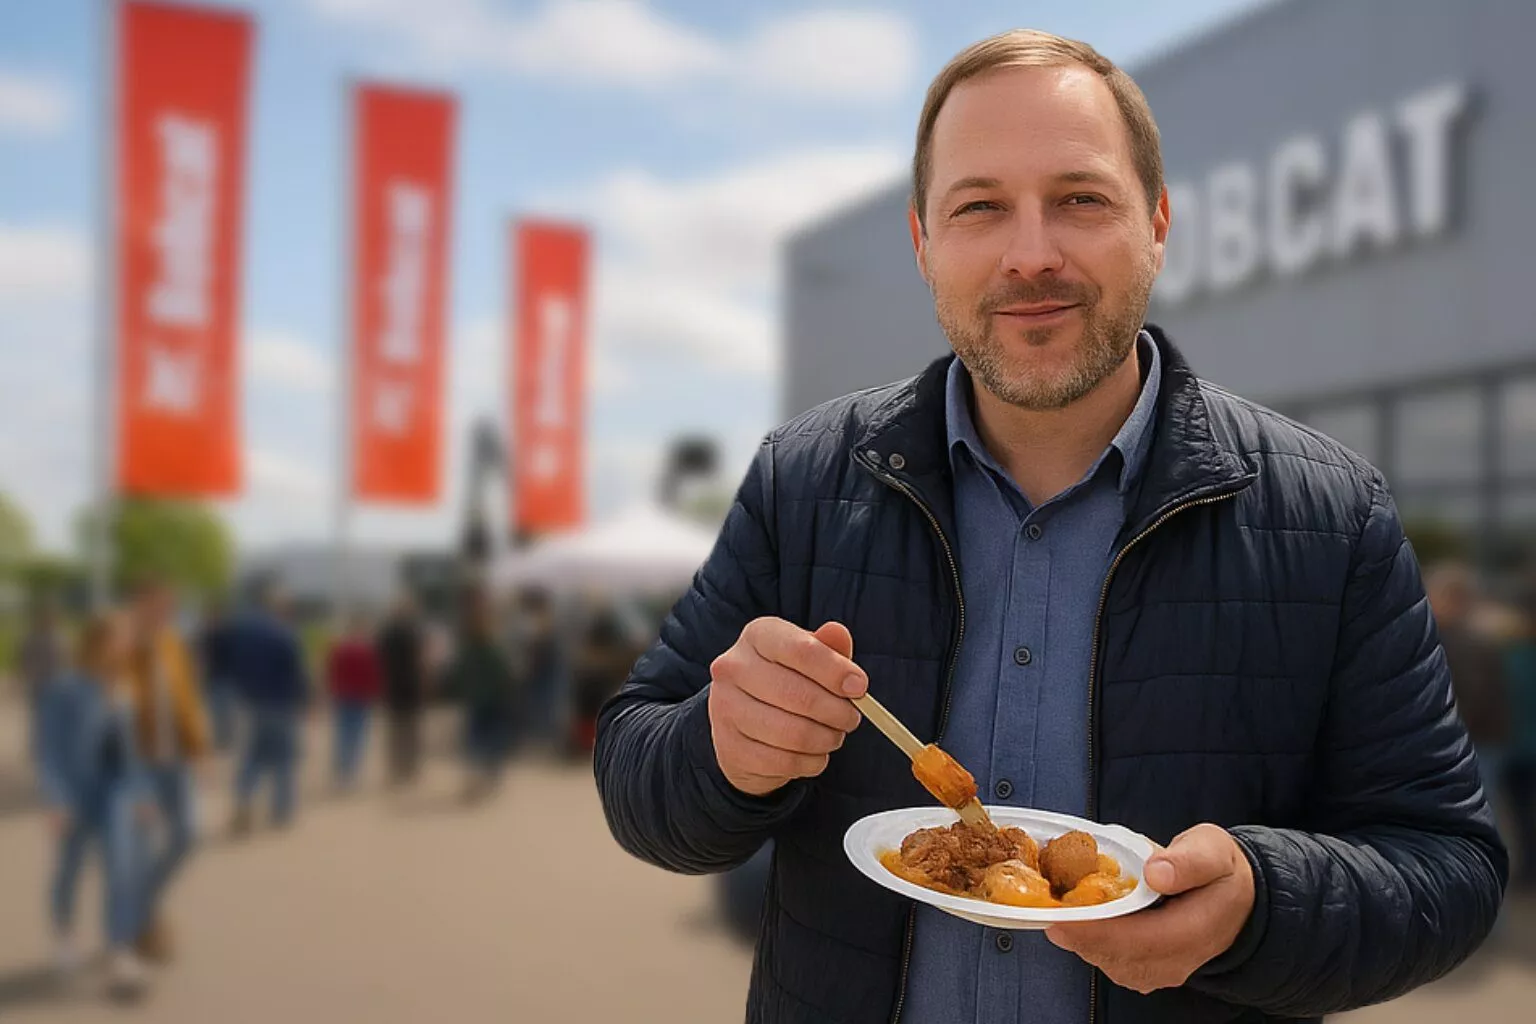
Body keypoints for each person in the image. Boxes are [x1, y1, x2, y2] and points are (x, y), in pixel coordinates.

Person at [593, 29, 1506, 1024]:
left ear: (1157, 225)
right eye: (979, 207)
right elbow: (638, 776)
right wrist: (722, 751)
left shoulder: (1332, 515)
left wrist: (1263, 907)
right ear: (924, 244)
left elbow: (1448, 866)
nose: (1032, 255)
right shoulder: (804, 481)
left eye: (1081, 199)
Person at [34, 612, 151, 995]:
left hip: (114, 792)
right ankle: (65, 936)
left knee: (121, 868)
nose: (128, 645)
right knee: (70, 869)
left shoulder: (122, 688)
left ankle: (119, 949)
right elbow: (48, 749)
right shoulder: (63, 688)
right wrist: (56, 799)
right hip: (74, 793)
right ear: (99, 641)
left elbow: (128, 749)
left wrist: (141, 793)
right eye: (122, 638)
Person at [125, 578, 209, 965]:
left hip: (176, 760)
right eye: (158, 604)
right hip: (138, 764)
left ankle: (143, 906)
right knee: (140, 847)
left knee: (189, 835)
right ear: (138, 604)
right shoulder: (122, 646)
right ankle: (144, 923)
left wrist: (199, 749)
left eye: (169, 606)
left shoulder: (174, 644)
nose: (166, 612)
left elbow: (186, 698)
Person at [1426, 562, 1510, 819]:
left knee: (1472, 814)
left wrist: (1443, 736)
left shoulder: (1462, 640)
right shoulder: (1465, 637)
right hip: (1479, 739)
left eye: (1434, 595)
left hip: (1473, 741)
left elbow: (1474, 694)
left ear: (1453, 599)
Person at [226, 583, 310, 834]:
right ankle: (281, 810)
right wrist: (305, 698)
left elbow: (234, 664)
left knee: (254, 755)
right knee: (283, 757)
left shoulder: (244, 633)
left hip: (254, 702)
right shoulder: (284, 634)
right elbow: (296, 671)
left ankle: (243, 797)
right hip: (281, 702)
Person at [442, 587, 523, 802]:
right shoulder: (488, 647)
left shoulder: (473, 648)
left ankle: (481, 777)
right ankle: (487, 777)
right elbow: (502, 673)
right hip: (490, 699)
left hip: (481, 699)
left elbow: (461, 672)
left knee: (478, 739)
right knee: (488, 739)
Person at [326, 611, 382, 790]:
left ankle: (342, 773)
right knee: (358, 737)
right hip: (361, 698)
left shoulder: (339, 648)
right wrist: (375, 695)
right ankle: (352, 774)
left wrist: (332, 691)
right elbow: (373, 675)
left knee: (342, 735)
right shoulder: (368, 651)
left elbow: (332, 672)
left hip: (343, 696)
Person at [377, 593, 427, 787]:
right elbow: (420, 660)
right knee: (410, 730)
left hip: (394, 687)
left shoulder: (387, 633)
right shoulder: (414, 633)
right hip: (409, 686)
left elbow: (379, 660)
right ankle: (409, 767)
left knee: (397, 730)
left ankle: (398, 767)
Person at [18, 596, 67, 759]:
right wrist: (28, 676)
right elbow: (24, 660)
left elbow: (66, 661)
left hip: (57, 685)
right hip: (39, 685)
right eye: (47, 616)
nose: (50, 620)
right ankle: (38, 748)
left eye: (52, 616)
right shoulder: (32, 638)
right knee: (40, 718)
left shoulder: (60, 638)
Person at [196, 597, 239, 753]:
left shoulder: (221, 634)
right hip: (216, 677)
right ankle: (223, 738)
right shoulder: (210, 634)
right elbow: (202, 656)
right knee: (218, 710)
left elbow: (203, 657)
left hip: (222, 676)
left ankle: (224, 739)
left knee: (222, 709)